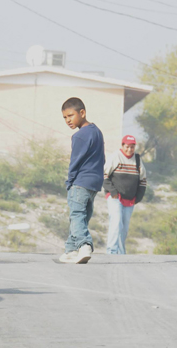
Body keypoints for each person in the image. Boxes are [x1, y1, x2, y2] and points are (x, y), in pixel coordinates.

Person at [59, 97, 105, 264]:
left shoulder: (79, 136)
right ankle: (71, 250)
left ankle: (84, 245)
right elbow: (102, 158)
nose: (68, 120)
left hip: (80, 182)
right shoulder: (97, 132)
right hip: (94, 183)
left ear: (82, 113)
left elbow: (75, 162)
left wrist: (70, 181)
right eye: (64, 117)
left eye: (70, 115)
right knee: (81, 217)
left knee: (77, 215)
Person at [103, 135, 147, 254]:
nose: (129, 150)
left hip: (130, 199)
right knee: (116, 222)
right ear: (122, 146)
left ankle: (121, 253)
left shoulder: (137, 160)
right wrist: (112, 192)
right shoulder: (115, 157)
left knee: (124, 227)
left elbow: (143, 180)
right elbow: (104, 176)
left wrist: (138, 197)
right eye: (127, 147)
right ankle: (111, 251)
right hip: (115, 197)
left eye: (132, 147)